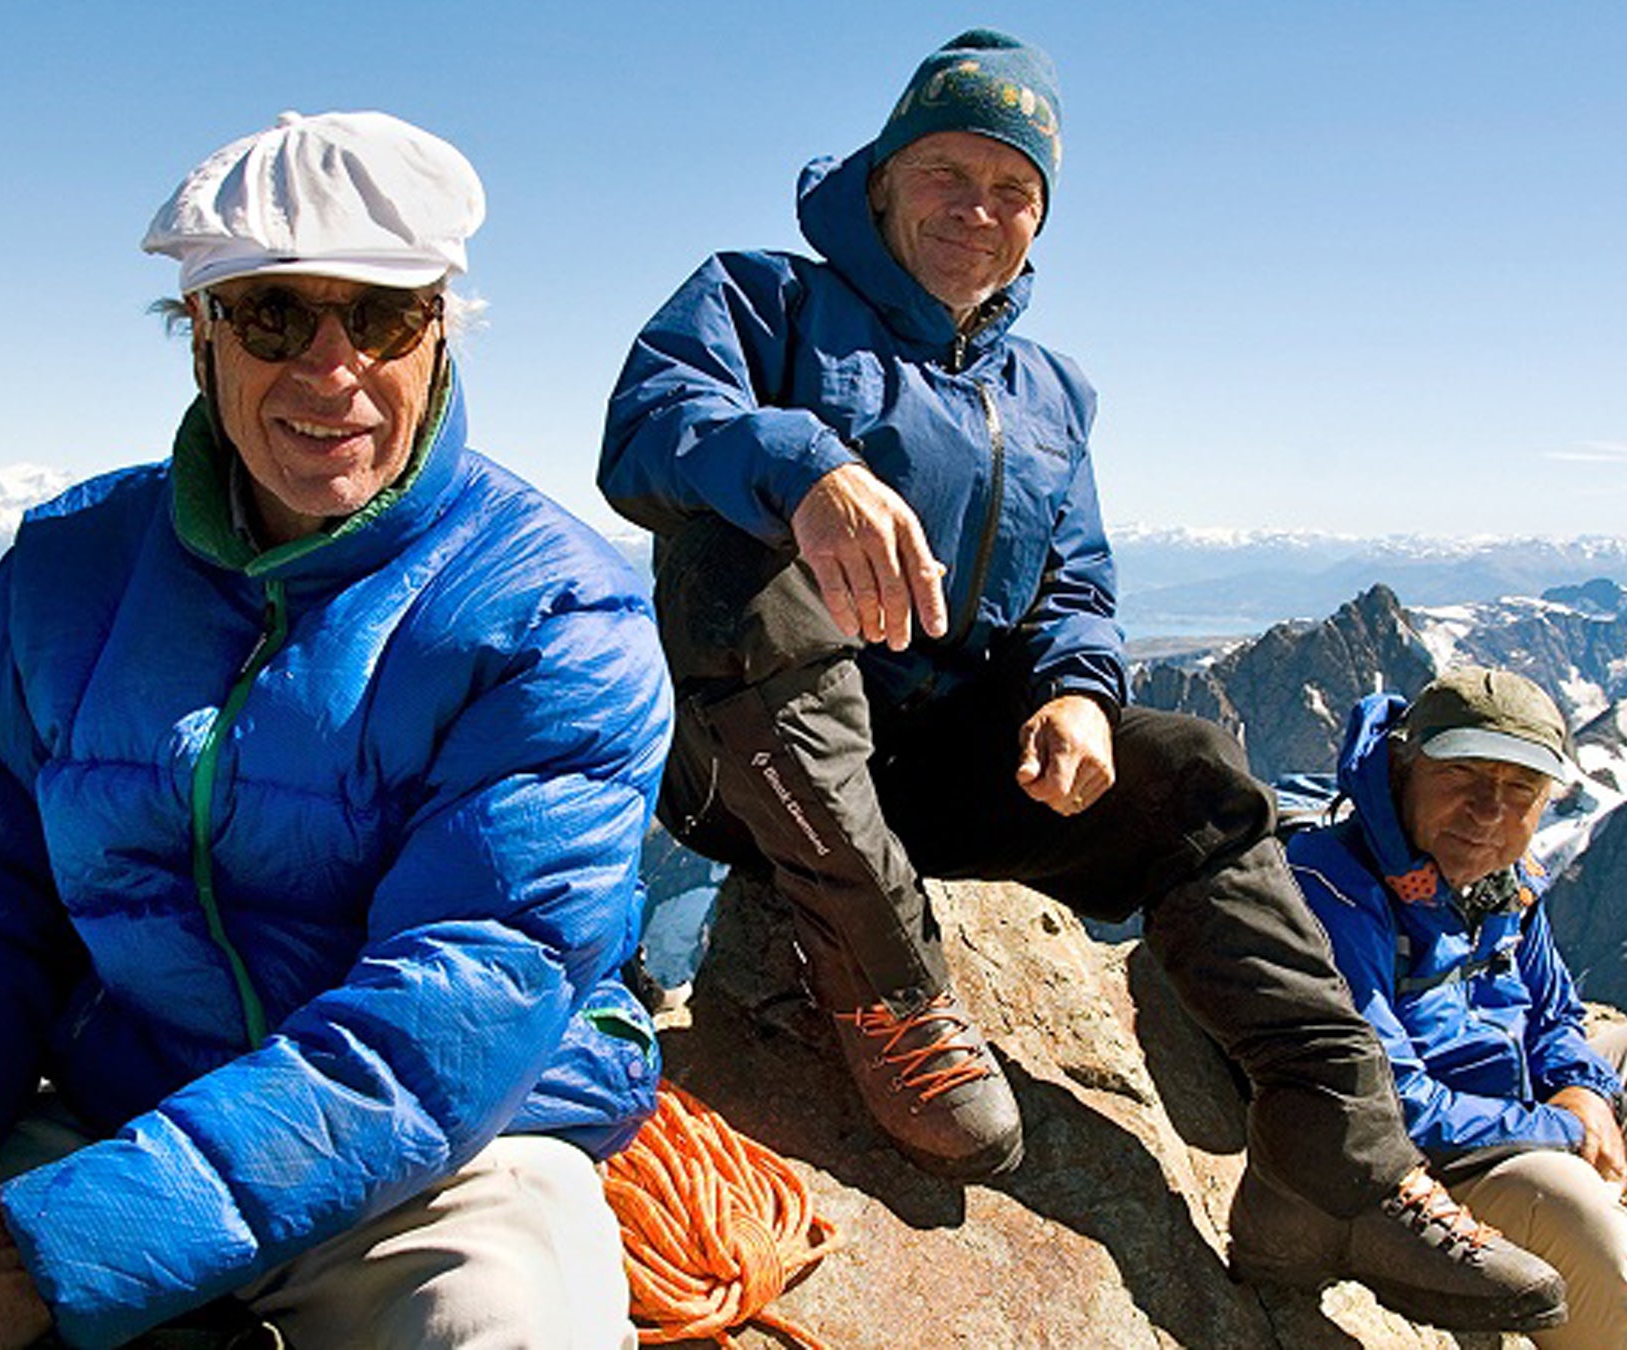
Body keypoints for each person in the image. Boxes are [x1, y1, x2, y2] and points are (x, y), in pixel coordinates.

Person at [598, 29, 1565, 1333]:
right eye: (946, 174)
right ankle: (886, 986)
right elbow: (649, 425)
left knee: (1201, 780)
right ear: (881, 181)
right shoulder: (760, 301)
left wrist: (1076, 694)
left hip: (937, 768)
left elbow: (1076, 578)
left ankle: (1338, 1167)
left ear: (1039, 221)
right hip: (759, 756)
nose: (977, 210)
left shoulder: (1048, 392)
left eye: (1014, 190)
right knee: (739, 562)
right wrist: (806, 471)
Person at [0, 110, 669, 1350]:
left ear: (437, 338)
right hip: (126, 1111)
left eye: (381, 318)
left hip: (447, 1153)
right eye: (273, 316)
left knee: (507, 1328)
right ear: (200, 335)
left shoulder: (552, 616)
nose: (331, 369)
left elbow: (458, 1004)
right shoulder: (62, 577)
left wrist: (50, 1255)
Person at [1286, 666, 1627, 1348]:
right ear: (1402, 769)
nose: (1489, 811)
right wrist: (1560, 1130)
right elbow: (1385, 1105)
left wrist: (1583, 1089)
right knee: (1572, 1204)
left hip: (1511, 1120)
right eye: (1463, 775)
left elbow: (1555, 1014)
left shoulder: (1500, 879)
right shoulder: (1333, 887)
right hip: (1411, 1179)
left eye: (1521, 789)